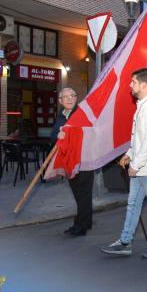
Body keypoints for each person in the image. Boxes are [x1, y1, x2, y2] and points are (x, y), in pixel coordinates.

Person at [99, 68, 147, 258]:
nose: (130, 85)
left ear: (143, 85)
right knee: (133, 205)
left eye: (133, 82)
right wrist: (129, 154)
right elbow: (139, 139)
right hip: (142, 167)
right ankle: (125, 242)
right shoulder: (143, 106)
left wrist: (135, 165)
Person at [51, 87, 94, 237]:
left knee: (83, 194)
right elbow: (53, 136)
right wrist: (58, 136)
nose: (69, 99)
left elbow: (89, 134)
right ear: (60, 101)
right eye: (66, 97)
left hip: (84, 160)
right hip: (69, 161)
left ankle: (80, 226)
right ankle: (86, 222)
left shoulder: (82, 114)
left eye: (73, 95)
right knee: (78, 193)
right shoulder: (61, 116)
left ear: (76, 98)